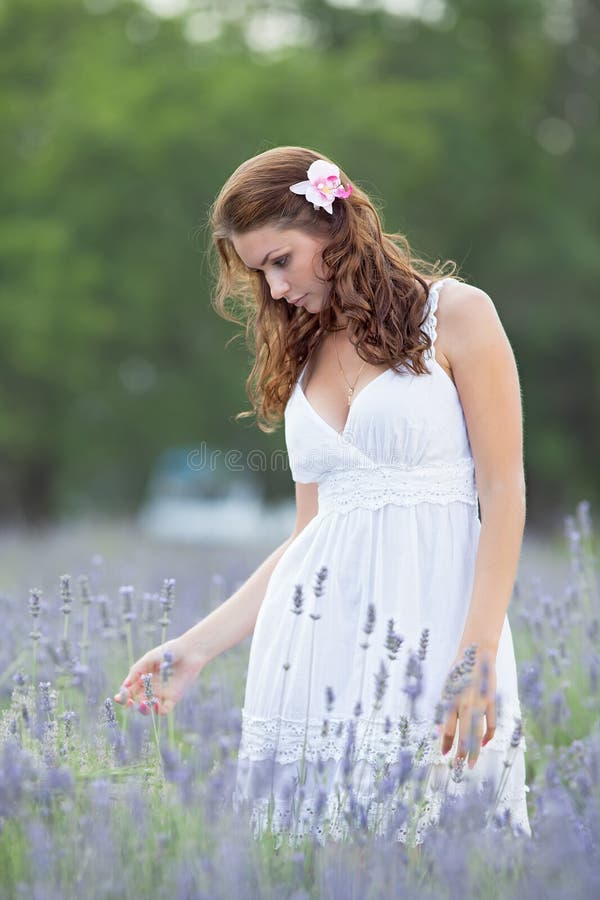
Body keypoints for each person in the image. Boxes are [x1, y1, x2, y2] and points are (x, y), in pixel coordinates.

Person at [115, 146, 532, 847]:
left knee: (450, 849)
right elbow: (309, 536)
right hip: (313, 646)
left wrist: (477, 653)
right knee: (317, 859)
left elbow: (504, 488)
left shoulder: (456, 315)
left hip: (437, 629)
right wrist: (196, 647)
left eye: (280, 260)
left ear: (332, 227)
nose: (273, 288)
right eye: (259, 272)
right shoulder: (303, 355)